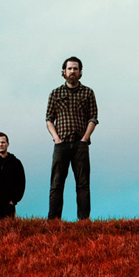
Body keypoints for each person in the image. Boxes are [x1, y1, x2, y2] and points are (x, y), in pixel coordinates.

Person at [45, 56, 99, 220]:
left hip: (80, 145)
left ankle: (83, 220)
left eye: (75, 68)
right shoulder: (55, 93)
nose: (72, 71)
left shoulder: (88, 92)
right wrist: (56, 139)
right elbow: (49, 119)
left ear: (80, 72)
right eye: (69, 68)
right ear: (64, 72)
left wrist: (84, 139)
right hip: (61, 145)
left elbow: (93, 118)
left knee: (83, 184)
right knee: (56, 184)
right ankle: (54, 220)